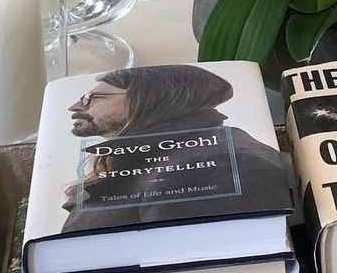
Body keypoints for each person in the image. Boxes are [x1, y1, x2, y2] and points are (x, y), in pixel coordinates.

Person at [62, 64, 285, 231]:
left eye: (92, 97)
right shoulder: (157, 155)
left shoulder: (211, 167)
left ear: (148, 97)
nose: (75, 106)